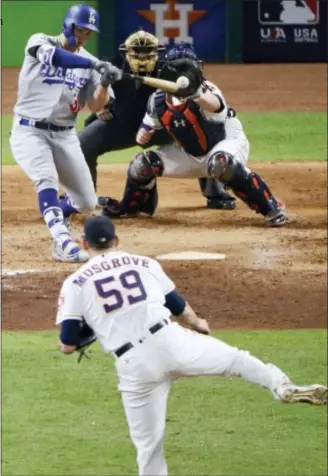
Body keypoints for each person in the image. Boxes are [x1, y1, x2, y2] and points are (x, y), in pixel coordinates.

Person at [56, 215, 327, 476]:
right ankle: (280, 384)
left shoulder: (75, 282)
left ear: (84, 244)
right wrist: (198, 324)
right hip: (172, 340)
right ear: (116, 240)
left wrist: (92, 331)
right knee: (236, 360)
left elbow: (68, 342)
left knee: (148, 449)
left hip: (135, 365)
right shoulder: (143, 262)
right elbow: (176, 306)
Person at [104, 47, 287, 226]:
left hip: (226, 144)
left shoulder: (206, 90)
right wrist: (143, 136)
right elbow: (144, 132)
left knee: (221, 163)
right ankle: (130, 207)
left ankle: (271, 207)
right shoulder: (158, 100)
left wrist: (195, 94)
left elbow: (216, 106)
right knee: (142, 164)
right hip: (190, 156)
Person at [73, 33, 236, 216]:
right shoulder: (112, 66)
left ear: (157, 53)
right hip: (122, 125)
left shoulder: (170, 70)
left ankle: (215, 191)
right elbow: (95, 100)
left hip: (163, 128)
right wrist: (101, 100)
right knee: (83, 143)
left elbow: (192, 95)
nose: (142, 57)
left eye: (147, 52)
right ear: (125, 53)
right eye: (136, 52)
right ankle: (83, 198)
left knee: (202, 131)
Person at [9, 4, 121, 262]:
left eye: (87, 34)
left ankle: (55, 210)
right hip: (29, 131)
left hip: (65, 135)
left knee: (86, 202)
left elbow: (96, 105)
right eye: (79, 30)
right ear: (68, 25)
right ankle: (62, 241)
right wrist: (97, 64)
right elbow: (57, 58)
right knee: (46, 179)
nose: (82, 37)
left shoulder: (92, 64)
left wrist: (103, 81)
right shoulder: (39, 41)